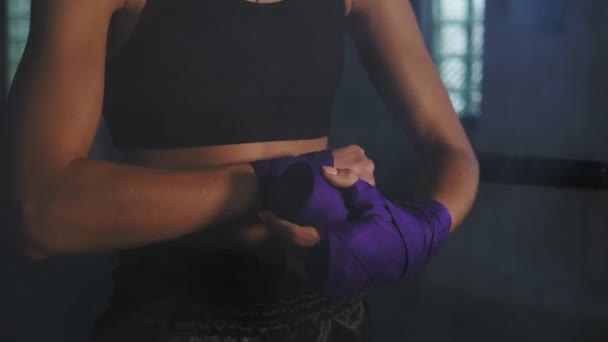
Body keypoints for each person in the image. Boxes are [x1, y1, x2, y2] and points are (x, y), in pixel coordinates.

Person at [5, 0, 479, 341]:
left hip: (333, 323)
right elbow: (42, 211)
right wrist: (275, 184)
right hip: (175, 322)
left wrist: (420, 231)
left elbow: (449, 149)